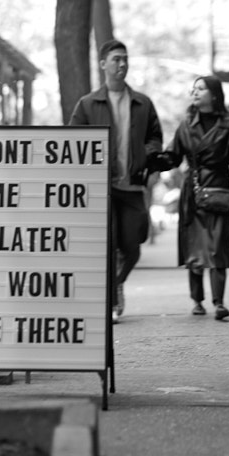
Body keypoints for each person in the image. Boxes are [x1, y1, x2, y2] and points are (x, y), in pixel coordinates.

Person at [69, 39, 163, 322]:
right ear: (103, 64)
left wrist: (146, 156)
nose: (122, 64)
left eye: (125, 59)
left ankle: (117, 282)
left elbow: (155, 137)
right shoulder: (88, 104)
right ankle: (110, 302)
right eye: (116, 59)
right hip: (102, 189)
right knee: (108, 246)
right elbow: (73, 141)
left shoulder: (142, 103)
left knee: (133, 245)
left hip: (133, 185)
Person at [156, 75, 229, 321]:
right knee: (194, 247)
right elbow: (172, 157)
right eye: (193, 88)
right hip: (192, 194)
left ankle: (219, 302)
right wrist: (149, 160)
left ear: (214, 94)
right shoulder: (186, 124)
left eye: (201, 88)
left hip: (220, 193)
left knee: (218, 248)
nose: (195, 92)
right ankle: (197, 300)